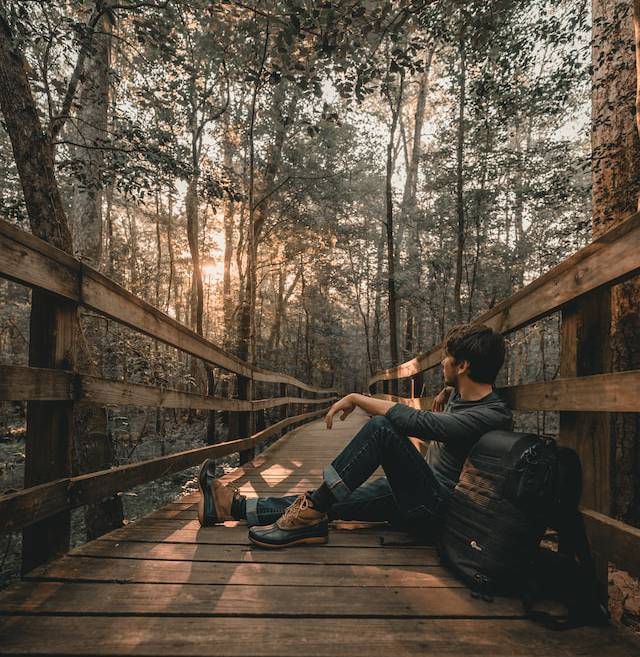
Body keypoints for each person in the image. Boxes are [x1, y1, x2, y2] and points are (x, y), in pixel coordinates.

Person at [197, 323, 512, 548]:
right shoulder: (464, 395)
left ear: (463, 366)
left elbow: (422, 423)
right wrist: (447, 391)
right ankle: (231, 508)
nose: (443, 361)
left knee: (381, 429)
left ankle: (306, 514)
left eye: (448, 357)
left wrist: (358, 398)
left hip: (439, 513)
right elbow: (451, 411)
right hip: (416, 492)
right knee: (332, 501)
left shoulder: (491, 416)